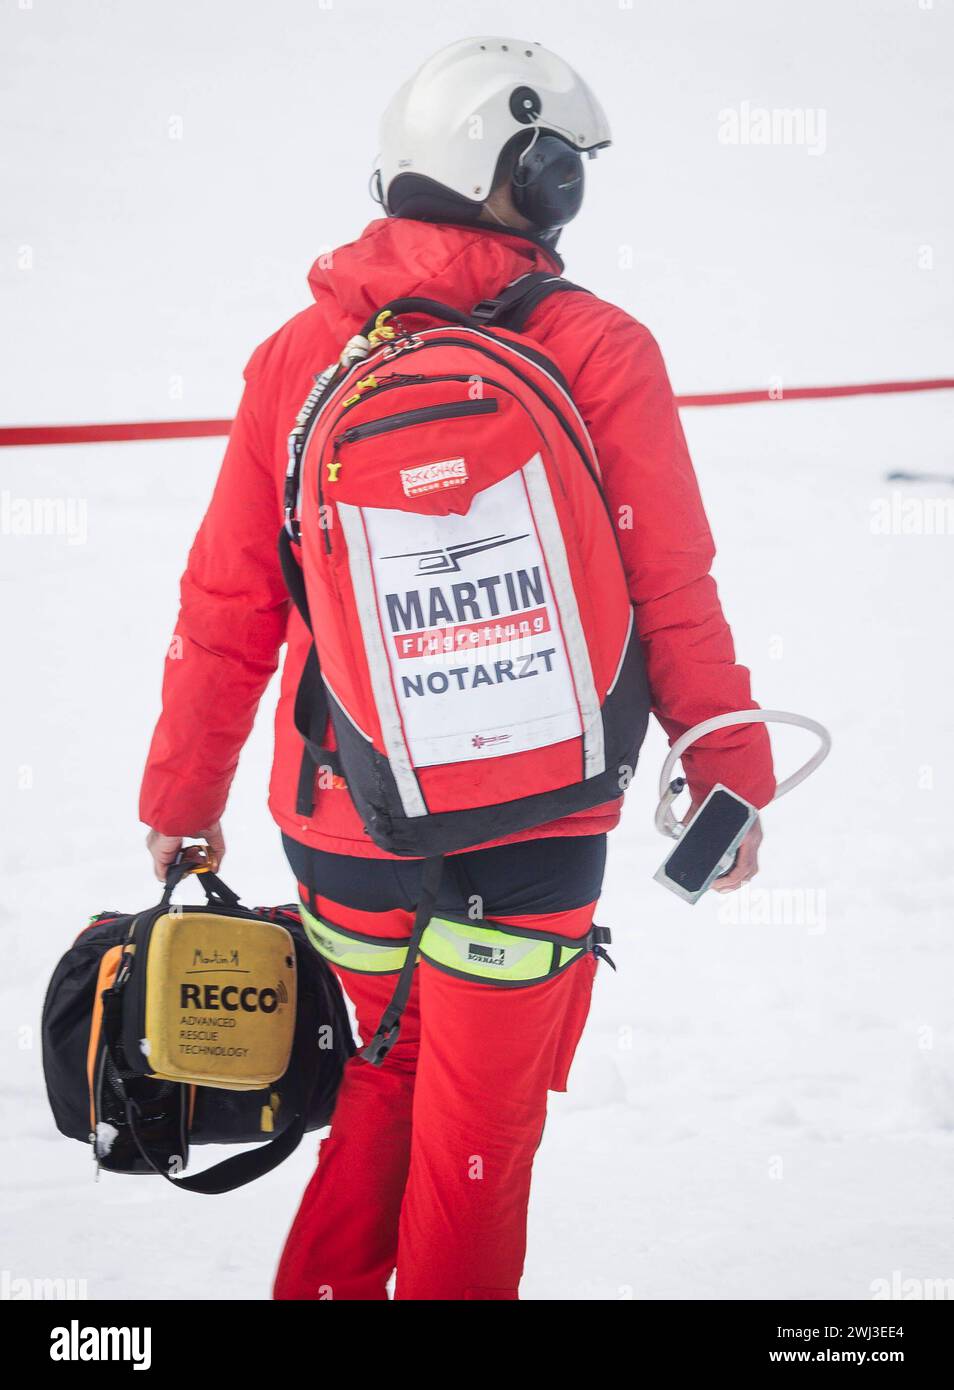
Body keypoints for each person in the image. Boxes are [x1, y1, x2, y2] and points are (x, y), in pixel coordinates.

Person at [140, 37, 774, 1301]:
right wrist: (729, 761)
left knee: (374, 1091)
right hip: (540, 819)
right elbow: (671, 585)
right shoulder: (603, 347)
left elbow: (227, 610)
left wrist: (180, 803)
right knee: (479, 1145)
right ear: (527, 176)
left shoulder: (291, 360)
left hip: (345, 819)